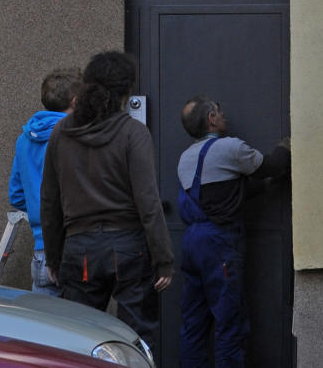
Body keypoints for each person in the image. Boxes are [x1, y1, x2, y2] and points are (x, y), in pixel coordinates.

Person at [40, 51, 172, 351]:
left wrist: (53, 256)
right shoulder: (132, 133)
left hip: (79, 247)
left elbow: (49, 200)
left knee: (78, 338)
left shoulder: (62, 133)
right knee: (136, 337)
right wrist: (163, 259)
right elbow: (148, 202)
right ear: (125, 92)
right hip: (129, 248)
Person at [176, 95, 290, 368]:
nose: (223, 114)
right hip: (218, 244)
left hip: (192, 242)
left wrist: (263, 188)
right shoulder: (230, 148)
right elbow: (271, 166)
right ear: (211, 119)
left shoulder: (186, 158)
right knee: (230, 322)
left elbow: (221, 196)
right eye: (219, 111)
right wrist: (285, 147)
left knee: (194, 324)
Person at [9, 68, 79, 294]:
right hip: (73, 246)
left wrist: (39, 209)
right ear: (76, 101)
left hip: (42, 250)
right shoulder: (74, 136)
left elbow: (16, 195)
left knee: (44, 324)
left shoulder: (24, 139)